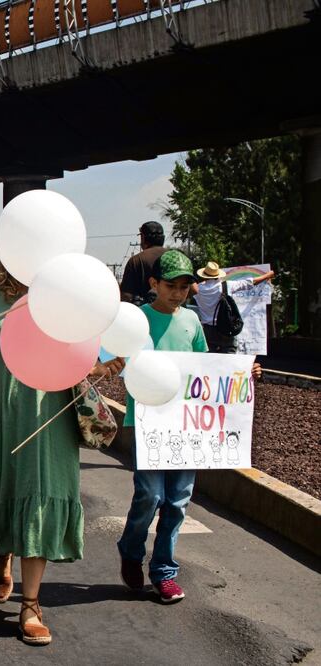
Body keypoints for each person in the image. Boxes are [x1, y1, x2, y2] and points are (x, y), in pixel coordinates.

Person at [0, 259, 120, 646]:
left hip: (51, 417)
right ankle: (2, 556)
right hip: (0, 414)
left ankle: (31, 604)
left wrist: (107, 366)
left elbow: (86, 359)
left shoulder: (70, 297)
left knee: (42, 494)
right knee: (6, 491)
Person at [117, 249, 261, 603]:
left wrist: (243, 374)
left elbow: (203, 368)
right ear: (154, 284)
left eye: (185, 287)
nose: (178, 293)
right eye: (171, 285)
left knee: (179, 500)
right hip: (149, 422)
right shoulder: (139, 319)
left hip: (185, 424)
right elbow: (121, 364)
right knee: (150, 495)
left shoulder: (192, 321)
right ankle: (132, 550)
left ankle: (164, 571)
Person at [193, 261, 274, 353]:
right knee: (229, 355)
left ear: (204, 275)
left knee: (210, 357)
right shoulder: (225, 285)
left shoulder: (198, 289)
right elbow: (250, 282)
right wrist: (267, 275)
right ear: (218, 275)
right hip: (226, 327)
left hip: (207, 330)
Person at [119, 221, 168, 305]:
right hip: (174, 314)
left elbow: (126, 296)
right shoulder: (176, 258)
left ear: (143, 237)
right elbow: (194, 289)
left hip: (144, 314)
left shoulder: (136, 260)